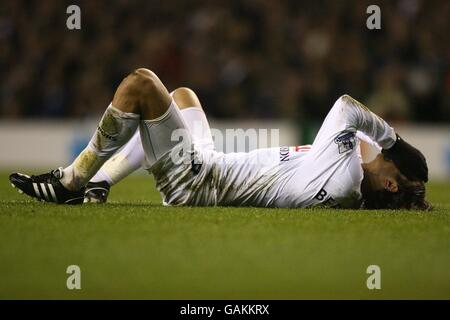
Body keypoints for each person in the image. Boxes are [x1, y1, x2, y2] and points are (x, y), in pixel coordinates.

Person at [10, 68, 430, 210]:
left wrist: (393, 142)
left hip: (199, 182)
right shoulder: (349, 183)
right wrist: (399, 168)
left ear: (390, 182)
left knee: (141, 84)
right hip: (213, 167)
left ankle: (73, 181)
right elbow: (353, 133)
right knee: (183, 97)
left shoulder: (348, 175)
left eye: (393, 160)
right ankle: (102, 184)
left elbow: (346, 107)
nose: (387, 152)